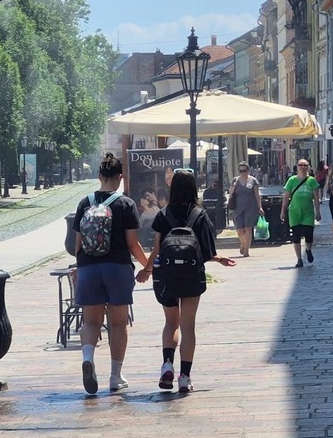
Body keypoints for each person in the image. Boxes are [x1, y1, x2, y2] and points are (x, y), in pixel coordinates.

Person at [138, 169, 237, 393]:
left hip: (167, 275)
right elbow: (206, 251)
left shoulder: (163, 214)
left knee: (170, 323)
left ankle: (166, 364)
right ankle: (185, 377)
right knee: (188, 326)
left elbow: (156, 250)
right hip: (191, 276)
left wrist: (147, 270)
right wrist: (220, 259)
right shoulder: (200, 215)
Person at [70, 153, 151, 394]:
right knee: (117, 324)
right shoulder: (126, 204)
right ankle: (115, 376)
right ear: (120, 177)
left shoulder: (85, 202)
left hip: (89, 267)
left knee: (91, 321)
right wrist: (148, 266)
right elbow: (132, 244)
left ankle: (88, 357)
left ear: (99, 176)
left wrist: (81, 266)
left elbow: (77, 244)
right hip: (117, 267)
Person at [280, 158, 322, 268]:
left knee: (309, 236)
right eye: (300, 165)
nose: (303, 167)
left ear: (308, 167)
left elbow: (316, 198)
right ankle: (299, 259)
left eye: (305, 165)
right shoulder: (292, 180)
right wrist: (283, 211)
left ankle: (308, 249)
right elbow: (286, 197)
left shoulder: (312, 180)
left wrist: (318, 212)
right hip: (294, 212)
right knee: (296, 236)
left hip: (308, 212)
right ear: (297, 167)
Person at [229, 161, 264, 257]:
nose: (242, 172)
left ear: (248, 170)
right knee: (239, 229)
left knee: (248, 228)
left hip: (250, 207)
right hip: (238, 207)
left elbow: (257, 195)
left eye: (244, 170)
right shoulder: (235, 180)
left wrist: (259, 206)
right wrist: (233, 187)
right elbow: (230, 193)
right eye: (240, 171)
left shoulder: (253, 180)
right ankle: (243, 243)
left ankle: (246, 251)